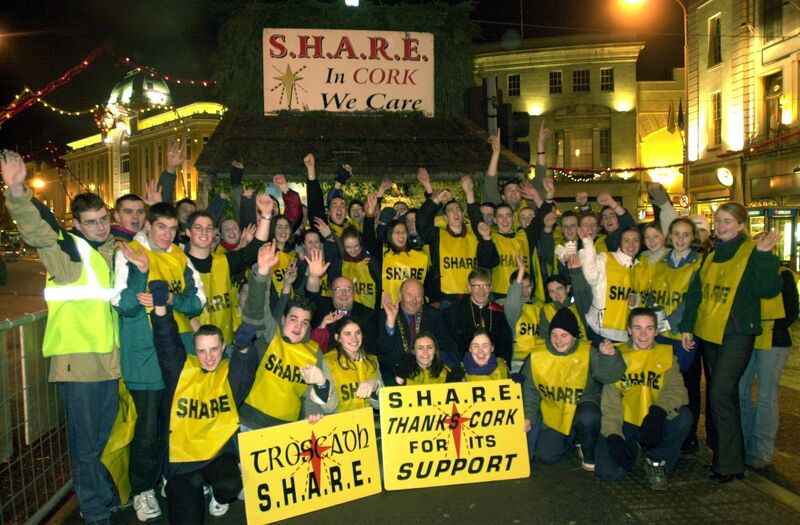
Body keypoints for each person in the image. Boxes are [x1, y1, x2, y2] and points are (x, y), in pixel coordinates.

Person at [2, 150, 121, 524]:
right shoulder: (69, 252)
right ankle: (95, 509)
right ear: (78, 225)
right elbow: (39, 233)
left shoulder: (108, 250)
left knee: (101, 440)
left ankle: (100, 497)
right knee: (86, 445)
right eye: (92, 222)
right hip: (77, 364)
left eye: (104, 219)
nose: (100, 227)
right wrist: (17, 190)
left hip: (107, 362)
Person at [113, 202, 206, 522]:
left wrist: (170, 299)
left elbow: (197, 302)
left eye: (172, 228)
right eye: (161, 227)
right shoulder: (130, 253)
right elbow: (124, 305)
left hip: (178, 350)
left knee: (175, 421)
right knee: (147, 428)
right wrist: (141, 273)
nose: (167, 234)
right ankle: (143, 489)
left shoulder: (180, 256)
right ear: (148, 227)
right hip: (145, 355)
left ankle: (168, 474)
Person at [679, 202, 782, 482]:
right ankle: (728, 459)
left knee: (719, 393)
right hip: (710, 331)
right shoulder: (711, 255)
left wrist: (764, 256)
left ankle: (728, 463)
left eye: (727, 221)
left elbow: (767, 289)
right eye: (718, 220)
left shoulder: (752, 250)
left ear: (741, 225)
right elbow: (696, 293)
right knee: (723, 395)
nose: (721, 225)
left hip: (736, 333)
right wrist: (688, 327)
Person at [150, 279, 259, 523]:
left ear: (223, 347)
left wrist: (243, 349)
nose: (208, 357)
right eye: (202, 351)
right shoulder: (182, 371)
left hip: (217, 453)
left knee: (230, 485)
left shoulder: (228, 374)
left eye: (214, 349)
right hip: (183, 457)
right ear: (194, 350)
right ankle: (186, 485)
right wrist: (160, 307)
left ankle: (217, 496)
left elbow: (244, 371)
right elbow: (167, 343)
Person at [238, 243, 338, 430]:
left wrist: (312, 412)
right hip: (248, 424)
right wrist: (263, 271)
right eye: (294, 319)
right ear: (283, 319)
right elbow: (255, 310)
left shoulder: (314, 352)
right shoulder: (270, 333)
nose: (298, 326)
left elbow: (310, 396)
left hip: (286, 432)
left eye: (305, 322)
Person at [595, 308, 692, 490]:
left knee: (684, 416)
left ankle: (657, 460)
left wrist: (658, 413)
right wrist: (613, 436)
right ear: (629, 330)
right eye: (637, 328)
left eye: (649, 328)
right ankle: (636, 449)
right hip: (625, 421)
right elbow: (610, 405)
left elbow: (675, 390)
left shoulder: (666, 356)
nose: (643, 334)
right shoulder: (617, 355)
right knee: (608, 472)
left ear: (656, 331)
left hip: (655, 421)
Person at [521, 308, 624, 471]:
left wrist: (609, 357)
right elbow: (530, 391)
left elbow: (608, 376)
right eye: (554, 335)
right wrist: (529, 417)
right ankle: (573, 435)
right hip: (555, 409)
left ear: (574, 337)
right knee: (545, 455)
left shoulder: (588, 351)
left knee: (588, 418)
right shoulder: (537, 355)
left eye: (564, 335)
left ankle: (588, 449)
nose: (558, 341)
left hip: (584, 404)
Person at [184, 197, 270, 344]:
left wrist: (266, 215)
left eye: (209, 228)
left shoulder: (224, 261)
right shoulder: (179, 264)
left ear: (214, 233)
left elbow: (255, 248)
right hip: (193, 345)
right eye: (198, 228)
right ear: (188, 232)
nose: (204, 232)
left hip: (225, 344)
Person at [738, 264, 798, 470]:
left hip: (775, 341)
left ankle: (761, 450)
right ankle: (743, 442)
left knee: (766, 395)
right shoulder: (746, 271)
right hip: (748, 339)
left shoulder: (783, 274)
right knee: (741, 391)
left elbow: (791, 311)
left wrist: (763, 324)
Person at [416, 170, 498, 306]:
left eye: (458, 209)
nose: (455, 212)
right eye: (450, 210)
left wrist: (469, 193)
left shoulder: (474, 234)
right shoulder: (437, 235)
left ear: (463, 214)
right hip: (445, 299)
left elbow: (477, 221)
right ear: (445, 218)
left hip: (473, 298)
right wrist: (436, 199)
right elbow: (422, 221)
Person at [377, 279, 459, 385]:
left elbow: (450, 347)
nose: (414, 300)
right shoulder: (385, 315)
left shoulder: (434, 315)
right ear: (400, 296)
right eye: (409, 295)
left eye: (418, 296)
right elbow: (383, 350)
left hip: (429, 371)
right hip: (395, 372)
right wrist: (390, 322)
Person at [363, 192, 430, 304]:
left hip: (415, 307)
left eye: (404, 232)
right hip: (387, 307)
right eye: (397, 232)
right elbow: (368, 238)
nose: (401, 235)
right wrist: (370, 211)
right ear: (390, 235)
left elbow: (427, 282)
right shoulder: (383, 253)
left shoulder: (420, 255)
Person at [578, 225, 641, 344]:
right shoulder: (607, 258)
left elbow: (637, 296)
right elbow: (591, 276)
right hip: (600, 331)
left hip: (624, 333)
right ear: (620, 243)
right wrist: (588, 244)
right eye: (626, 240)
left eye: (635, 240)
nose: (631, 244)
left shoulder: (637, 267)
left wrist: (634, 302)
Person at [443, 267, 514, 365]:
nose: (481, 291)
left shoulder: (499, 312)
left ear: (491, 288)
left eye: (485, 286)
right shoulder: (454, 312)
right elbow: (450, 345)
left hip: (493, 365)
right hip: (463, 364)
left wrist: (501, 363)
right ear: (469, 287)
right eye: (476, 286)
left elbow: (505, 344)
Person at [323, 317, 382, 413]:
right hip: (340, 420)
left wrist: (375, 385)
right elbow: (328, 408)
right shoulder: (327, 361)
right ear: (338, 338)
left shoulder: (372, 361)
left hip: (366, 420)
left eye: (357, 333)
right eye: (347, 334)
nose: (354, 338)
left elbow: (380, 405)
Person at [394, 332, 464, 385]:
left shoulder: (448, 372)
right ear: (413, 351)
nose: (425, 352)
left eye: (429, 347)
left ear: (435, 350)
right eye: (420, 348)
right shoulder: (402, 372)